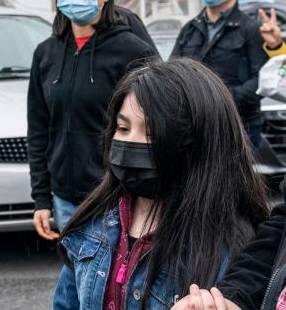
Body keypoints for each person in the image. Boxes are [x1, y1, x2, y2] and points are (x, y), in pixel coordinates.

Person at [54, 58, 269, 310]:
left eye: (151, 132)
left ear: (199, 143)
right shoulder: (92, 224)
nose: (130, 143)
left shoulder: (232, 251)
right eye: (123, 128)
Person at [28, 0, 157, 241]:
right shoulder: (46, 53)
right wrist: (41, 198)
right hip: (64, 198)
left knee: (109, 283)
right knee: (76, 277)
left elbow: (156, 124)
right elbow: (38, 129)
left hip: (117, 195)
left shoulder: (133, 51)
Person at [170, 0, 267, 150]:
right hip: (195, 125)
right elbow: (172, 74)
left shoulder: (250, 29)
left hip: (239, 125)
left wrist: (222, 99)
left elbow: (262, 80)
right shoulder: (190, 29)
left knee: (235, 178)